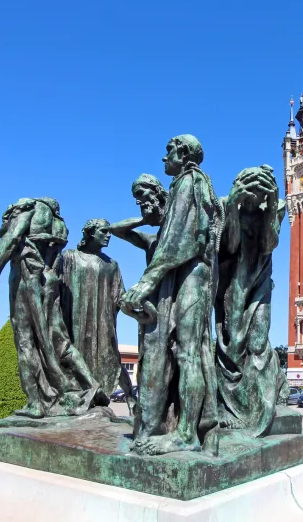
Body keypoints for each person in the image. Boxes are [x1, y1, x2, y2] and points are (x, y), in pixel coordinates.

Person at [121, 134, 222, 456]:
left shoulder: (188, 182)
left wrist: (145, 283)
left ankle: (187, 435)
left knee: (188, 353)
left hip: (192, 275)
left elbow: (180, 241)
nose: (164, 159)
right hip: (192, 274)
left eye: (168, 152)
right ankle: (181, 427)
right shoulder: (197, 184)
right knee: (186, 352)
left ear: (182, 153)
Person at [0, 198, 102, 419]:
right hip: (50, 281)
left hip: (27, 278)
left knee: (26, 340)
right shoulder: (59, 223)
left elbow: (12, 239)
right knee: (58, 339)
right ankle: (92, 385)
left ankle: (35, 403)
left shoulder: (29, 209)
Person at [215, 165, 288, 436]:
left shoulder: (276, 206)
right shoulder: (225, 205)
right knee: (232, 343)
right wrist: (233, 207)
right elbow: (231, 245)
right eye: (252, 192)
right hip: (231, 281)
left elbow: (269, 244)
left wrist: (270, 208)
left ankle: (263, 401)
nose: (256, 197)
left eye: (262, 192)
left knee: (258, 342)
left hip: (259, 279)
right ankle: (229, 407)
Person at [110, 174, 175, 438]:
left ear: (159, 194)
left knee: (174, 363)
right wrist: (144, 219)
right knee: (149, 364)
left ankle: (169, 421)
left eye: (144, 196)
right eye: (137, 200)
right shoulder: (151, 240)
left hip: (174, 305)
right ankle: (151, 420)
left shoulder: (177, 233)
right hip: (150, 310)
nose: (140, 203)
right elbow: (116, 230)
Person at [58, 218, 135, 413]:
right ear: (90, 233)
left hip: (103, 322)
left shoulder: (111, 265)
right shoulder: (68, 258)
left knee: (112, 358)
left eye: (109, 232)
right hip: (74, 322)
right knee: (73, 358)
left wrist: (136, 305)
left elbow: (120, 296)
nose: (109, 235)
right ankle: (81, 395)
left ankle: (132, 399)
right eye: (104, 231)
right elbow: (54, 287)